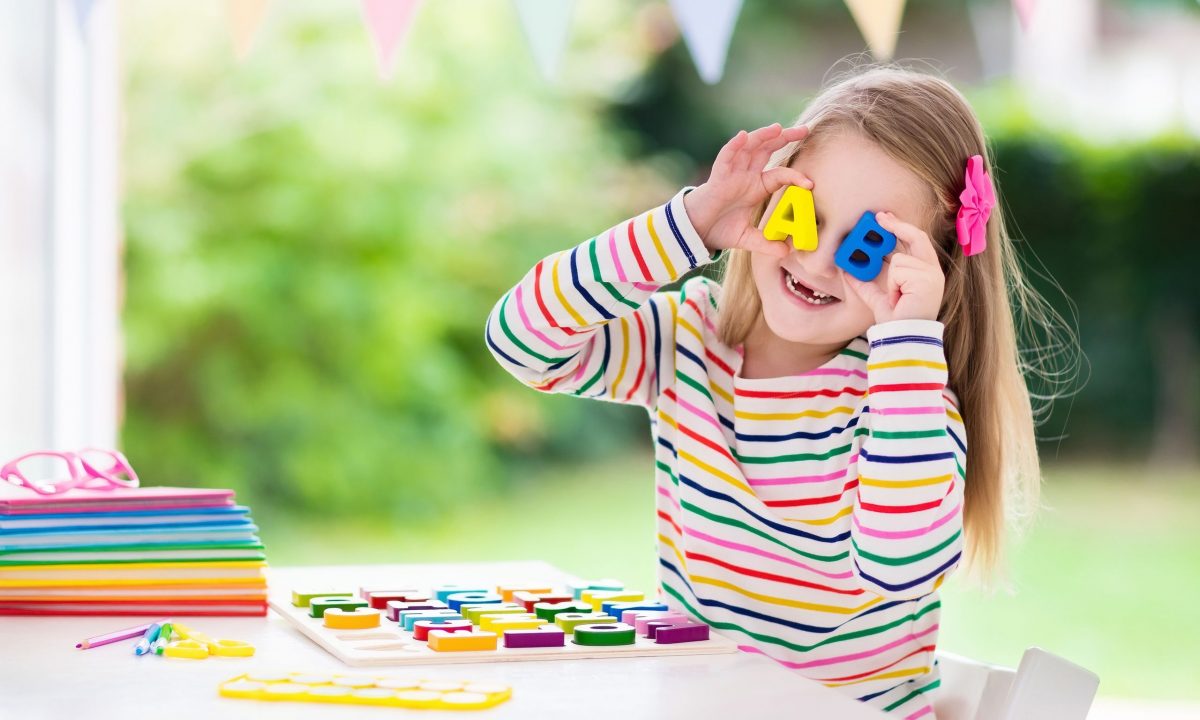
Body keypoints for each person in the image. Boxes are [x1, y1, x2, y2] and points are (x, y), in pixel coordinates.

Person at [486, 64, 1065, 718]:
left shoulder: (904, 404)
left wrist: (908, 341)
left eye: (866, 248)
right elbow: (520, 339)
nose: (816, 261)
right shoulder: (687, 342)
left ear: (926, 271)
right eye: (801, 216)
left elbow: (899, 568)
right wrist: (689, 226)